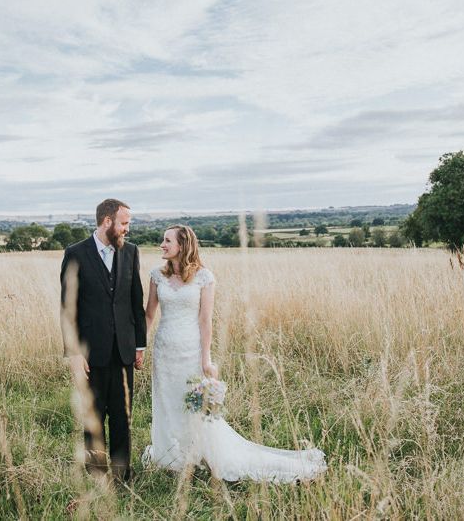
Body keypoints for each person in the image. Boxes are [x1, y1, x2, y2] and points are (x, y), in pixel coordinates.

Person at [142, 224, 326, 482]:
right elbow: (149, 314)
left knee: (193, 405)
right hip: (163, 351)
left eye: (167, 240)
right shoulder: (156, 275)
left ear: (182, 246)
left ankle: (200, 454)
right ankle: (172, 454)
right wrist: (139, 346)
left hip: (190, 350)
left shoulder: (204, 277)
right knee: (166, 399)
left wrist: (206, 359)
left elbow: (206, 321)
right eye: (163, 240)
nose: (162, 244)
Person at [60, 198, 146, 481]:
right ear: (107, 222)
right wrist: (73, 352)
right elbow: (67, 307)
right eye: (124, 223)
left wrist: (139, 345)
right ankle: (96, 475)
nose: (127, 229)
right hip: (89, 355)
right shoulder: (75, 253)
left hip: (123, 351)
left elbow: (136, 302)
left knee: (123, 418)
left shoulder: (131, 252)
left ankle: (122, 477)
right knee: (93, 418)